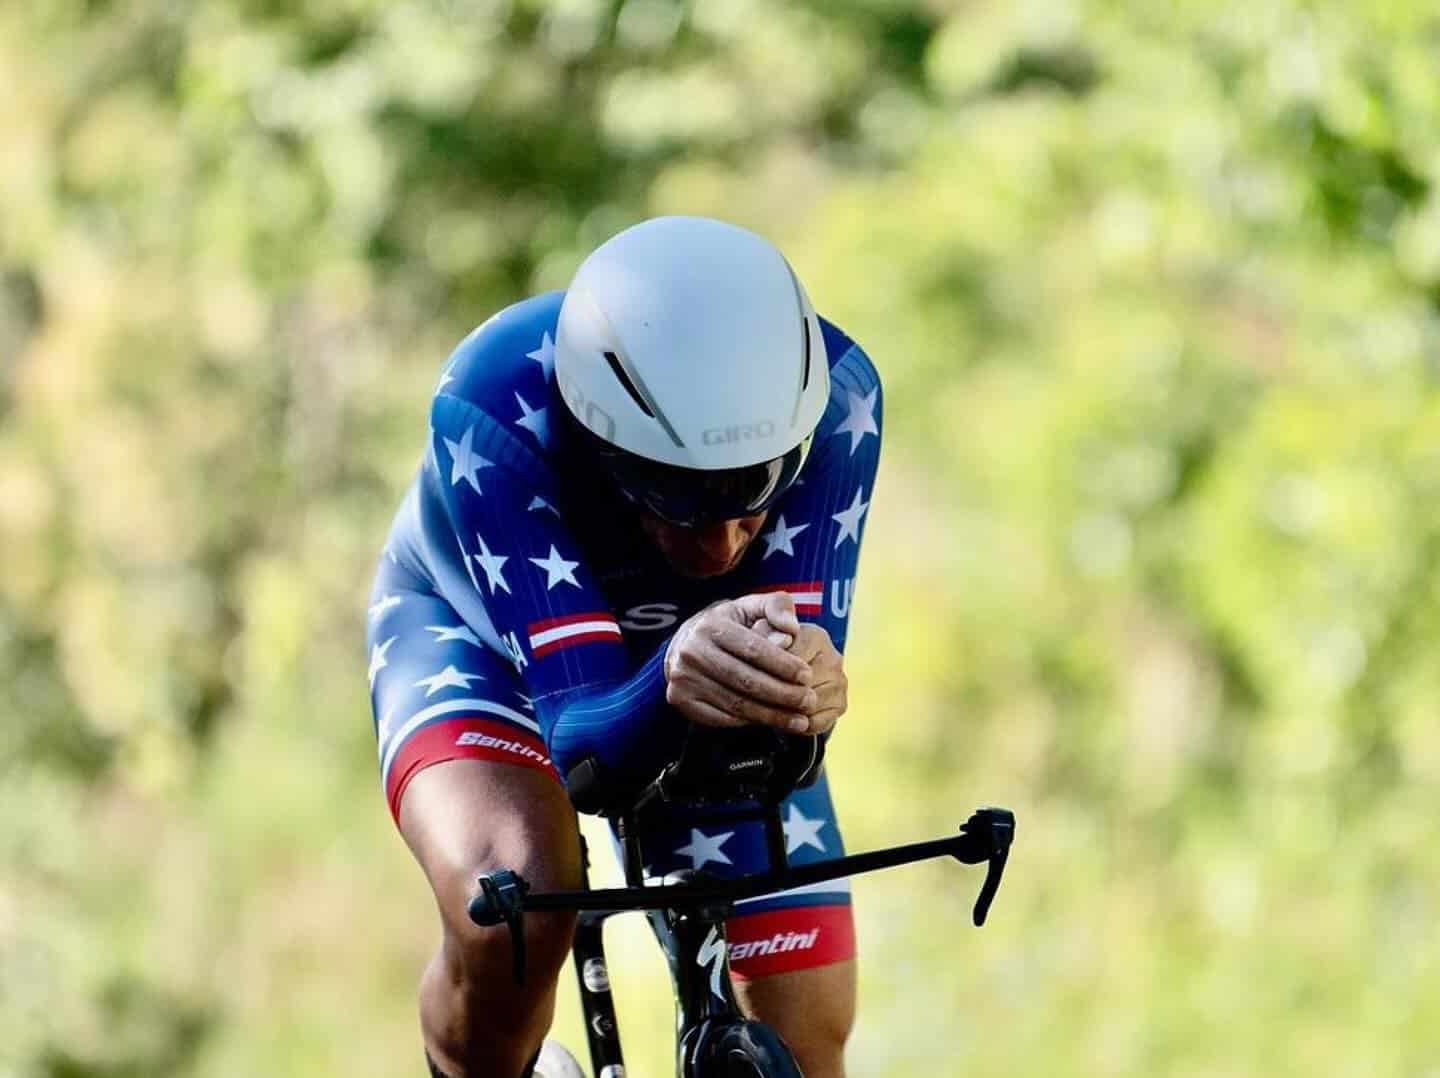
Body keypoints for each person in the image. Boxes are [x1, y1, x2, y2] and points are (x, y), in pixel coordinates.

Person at [366, 215, 883, 1077]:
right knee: (516, 905)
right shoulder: (492, 402)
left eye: (755, 489)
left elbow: (783, 745)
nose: (721, 547)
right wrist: (676, 670)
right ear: (601, 440)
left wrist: (806, 698)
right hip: (481, 637)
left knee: (808, 1026)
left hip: (696, 654)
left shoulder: (843, 404)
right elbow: (588, 752)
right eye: (671, 492)